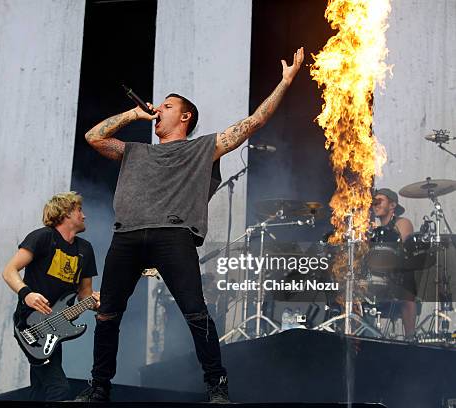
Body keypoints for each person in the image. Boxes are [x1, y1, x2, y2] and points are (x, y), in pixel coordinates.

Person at [74, 48, 305, 403]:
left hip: (173, 235)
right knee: (108, 314)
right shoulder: (136, 151)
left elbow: (254, 122)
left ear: (185, 116)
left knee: (195, 312)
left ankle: (216, 385)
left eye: (167, 106)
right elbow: (94, 137)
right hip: (127, 236)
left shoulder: (202, 148)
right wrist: (133, 113)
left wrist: (285, 82)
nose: (158, 110)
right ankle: (99, 386)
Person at [2, 192, 99, 401]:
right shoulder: (43, 237)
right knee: (58, 390)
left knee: (40, 391)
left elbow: (85, 295)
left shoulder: (85, 249)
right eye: (79, 210)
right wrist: (26, 294)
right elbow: (9, 270)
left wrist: (97, 302)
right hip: (29, 323)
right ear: (65, 213)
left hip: (56, 326)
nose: (84, 215)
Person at [371, 188, 416, 339]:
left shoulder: (403, 223)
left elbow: (400, 250)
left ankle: (410, 339)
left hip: (397, 277)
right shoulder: (372, 230)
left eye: (379, 201)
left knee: (407, 281)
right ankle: (360, 339)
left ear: (392, 205)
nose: (375, 204)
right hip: (374, 277)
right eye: (374, 202)